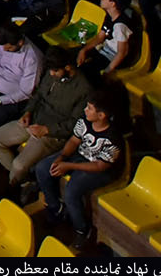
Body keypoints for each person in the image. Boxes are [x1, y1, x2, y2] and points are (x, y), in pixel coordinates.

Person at [0, 47, 90, 190]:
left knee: (19, 165)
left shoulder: (84, 89)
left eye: (55, 71)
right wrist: (28, 112)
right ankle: (26, 180)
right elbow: (38, 96)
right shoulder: (51, 74)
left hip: (52, 134)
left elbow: (74, 124)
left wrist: (46, 129)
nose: (51, 74)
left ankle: (11, 188)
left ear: (68, 67)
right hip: (34, 120)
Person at [35, 95, 125, 246]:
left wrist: (68, 166)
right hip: (80, 156)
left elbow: (99, 166)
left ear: (101, 115)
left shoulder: (113, 139)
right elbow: (74, 140)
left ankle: (82, 229)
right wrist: (62, 157)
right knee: (43, 168)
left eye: (89, 108)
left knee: (72, 191)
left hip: (102, 171)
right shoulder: (84, 121)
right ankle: (56, 208)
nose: (85, 110)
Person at [76, 0, 142, 79]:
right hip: (103, 49)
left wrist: (107, 71)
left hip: (111, 57)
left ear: (112, 4)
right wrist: (83, 50)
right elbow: (100, 37)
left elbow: (122, 53)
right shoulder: (109, 16)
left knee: (86, 73)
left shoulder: (120, 26)